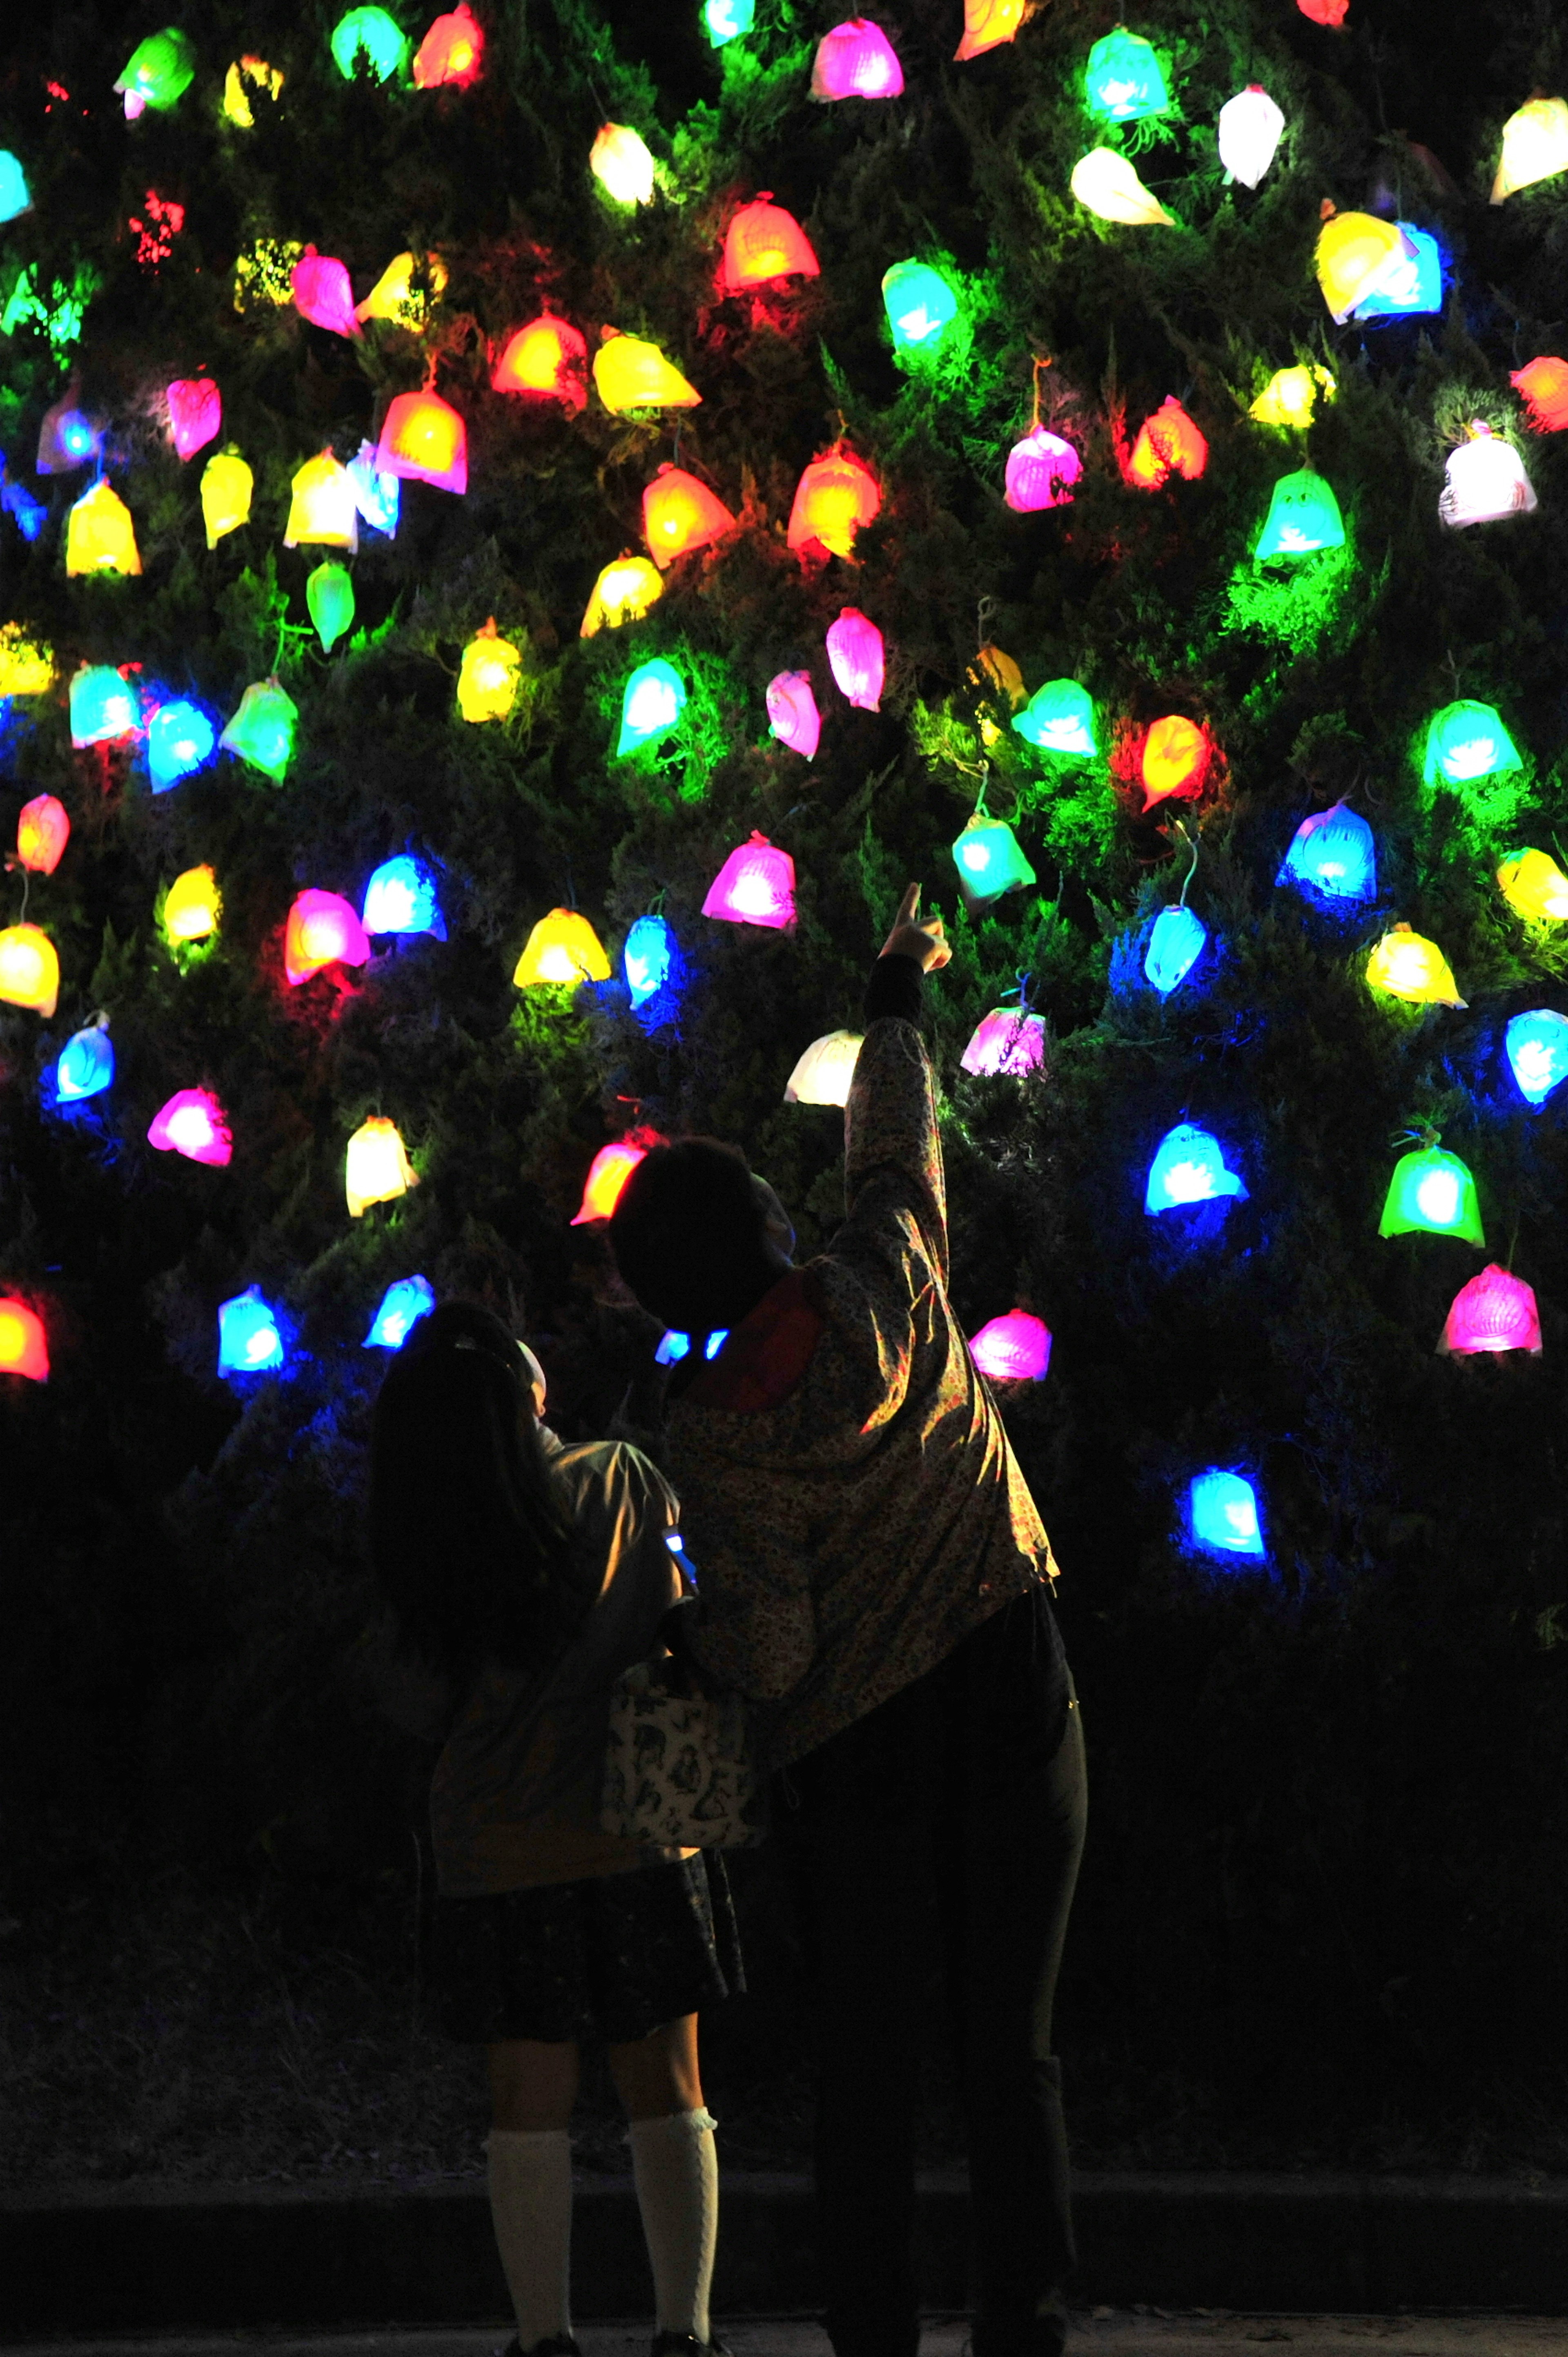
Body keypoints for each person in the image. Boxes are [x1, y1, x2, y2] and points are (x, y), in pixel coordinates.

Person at [609, 886, 1085, 2357]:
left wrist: (685, 1643)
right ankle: (1029, 2321)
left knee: (867, 2067)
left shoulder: (718, 1437)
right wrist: (893, 988)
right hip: (1016, 1686)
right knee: (1014, 2047)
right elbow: (893, 1132)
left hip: (861, 1768)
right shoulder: (892, 1265)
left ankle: (872, 2330)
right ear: (770, 1222)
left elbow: (775, 1651)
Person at [367, 1300, 740, 2357]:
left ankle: (545, 2340)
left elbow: (407, 1701)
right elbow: (686, 1607)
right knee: (667, 2088)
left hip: (498, 1851)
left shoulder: (426, 1537)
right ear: (525, 1386)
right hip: (640, 1826)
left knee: (527, 2101)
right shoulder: (620, 1479)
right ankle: (686, 2332)